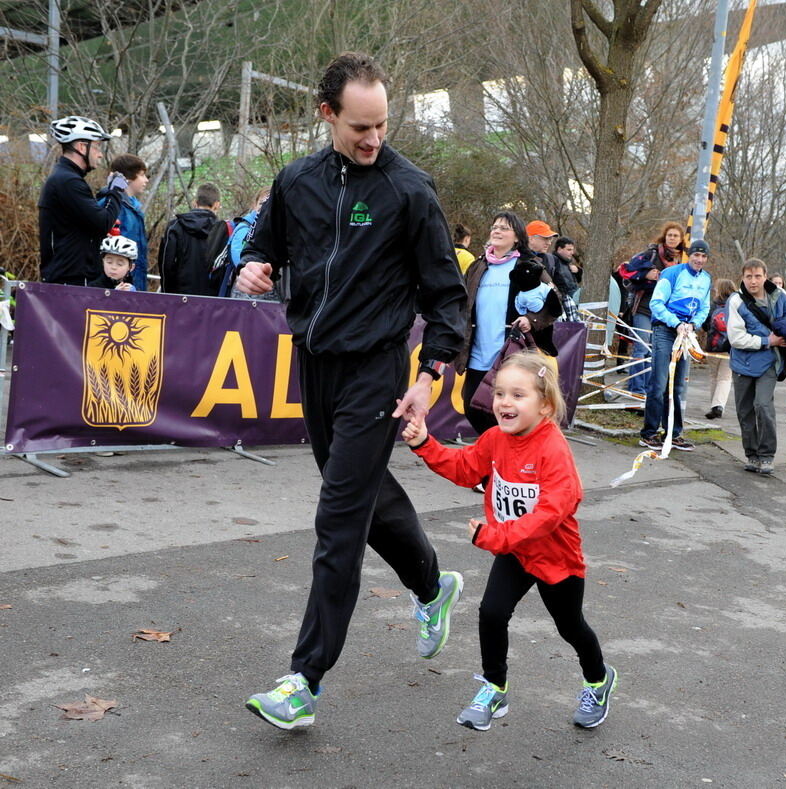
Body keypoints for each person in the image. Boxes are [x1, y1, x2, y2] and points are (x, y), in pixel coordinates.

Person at [237, 52, 469, 730]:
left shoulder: (410, 190)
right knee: (363, 500)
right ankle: (432, 584)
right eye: (361, 127)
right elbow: (264, 245)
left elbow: (447, 299)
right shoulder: (296, 181)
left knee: (337, 521)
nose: (374, 139)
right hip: (315, 363)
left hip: (376, 369)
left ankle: (304, 678)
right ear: (327, 114)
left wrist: (430, 378)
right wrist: (254, 266)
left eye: (383, 125)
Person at [402, 350, 617, 731]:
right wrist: (425, 444)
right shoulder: (495, 439)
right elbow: (466, 468)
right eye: (500, 393)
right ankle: (494, 687)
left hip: (555, 557)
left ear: (545, 405)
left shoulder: (553, 451)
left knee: (571, 627)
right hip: (514, 550)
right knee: (492, 612)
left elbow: (550, 515)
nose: (505, 402)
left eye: (518, 395)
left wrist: (495, 536)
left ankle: (598, 680)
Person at [455, 211, 559, 437]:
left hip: (510, 354)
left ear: (517, 237)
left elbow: (555, 302)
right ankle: (496, 461)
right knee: (472, 409)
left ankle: (504, 465)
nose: (497, 231)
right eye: (495, 227)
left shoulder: (528, 265)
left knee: (503, 415)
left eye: (504, 228)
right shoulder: (478, 266)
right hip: (476, 354)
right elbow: (462, 303)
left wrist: (530, 320)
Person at [726, 258, 786, 475]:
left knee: (763, 405)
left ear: (765, 276)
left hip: (770, 362)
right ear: (742, 278)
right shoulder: (736, 301)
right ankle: (752, 455)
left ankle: (767, 455)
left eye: (758, 276)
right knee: (745, 411)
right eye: (749, 276)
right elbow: (736, 338)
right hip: (742, 362)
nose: (753, 281)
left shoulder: (780, 296)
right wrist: (766, 341)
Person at [639, 238, 712, 453]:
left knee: (678, 386)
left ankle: (674, 433)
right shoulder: (672, 273)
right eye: (696, 255)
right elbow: (656, 303)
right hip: (665, 330)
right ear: (689, 255)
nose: (699, 259)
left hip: (686, 333)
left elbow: (704, 307)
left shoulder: (707, 279)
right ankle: (649, 433)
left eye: (703, 256)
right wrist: (675, 322)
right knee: (660, 382)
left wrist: (693, 324)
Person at [38, 116, 125, 286]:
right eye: (97, 147)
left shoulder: (67, 178)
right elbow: (103, 222)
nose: (100, 154)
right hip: (70, 280)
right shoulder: (68, 181)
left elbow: (88, 223)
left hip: (70, 277)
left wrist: (105, 194)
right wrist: (115, 192)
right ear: (81, 147)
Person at [621, 220, 685, 395]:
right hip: (643, 308)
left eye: (676, 236)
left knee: (655, 352)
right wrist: (646, 274)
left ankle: (650, 390)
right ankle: (636, 389)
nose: (672, 239)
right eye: (670, 235)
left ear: (681, 240)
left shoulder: (682, 261)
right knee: (641, 348)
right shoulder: (652, 254)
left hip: (665, 314)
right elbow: (626, 270)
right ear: (665, 237)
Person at [157, 183, 222, 296]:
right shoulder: (223, 230)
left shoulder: (175, 226)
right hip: (212, 301)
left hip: (180, 296)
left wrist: (167, 293)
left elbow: (166, 265)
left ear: (195, 203)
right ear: (216, 205)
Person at [97, 154, 150, 291]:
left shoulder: (134, 207)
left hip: (133, 281)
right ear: (128, 178)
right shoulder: (111, 205)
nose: (146, 180)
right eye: (142, 175)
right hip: (115, 287)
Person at [526, 220, 580, 321]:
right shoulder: (517, 260)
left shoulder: (551, 259)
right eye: (545, 238)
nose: (549, 242)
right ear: (531, 239)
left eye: (550, 239)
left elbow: (561, 287)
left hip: (549, 316)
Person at [225, 187, 271, 299]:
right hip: (245, 292)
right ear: (254, 205)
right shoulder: (244, 229)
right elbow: (240, 261)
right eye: (261, 204)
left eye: (269, 204)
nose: (264, 208)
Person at [703, 278, 737, 419]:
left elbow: (705, 325)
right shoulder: (737, 305)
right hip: (731, 346)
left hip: (713, 346)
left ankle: (714, 405)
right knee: (725, 378)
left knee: (713, 376)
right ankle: (718, 405)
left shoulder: (713, 306)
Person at [554, 236, 582, 303]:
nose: (572, 253)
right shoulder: (553, 262)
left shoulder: (567, 261)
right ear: (559, 249)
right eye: (569, 250)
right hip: (566, 300)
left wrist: (578, 271)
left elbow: (578, 280)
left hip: (574, 297)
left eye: (572, 250)